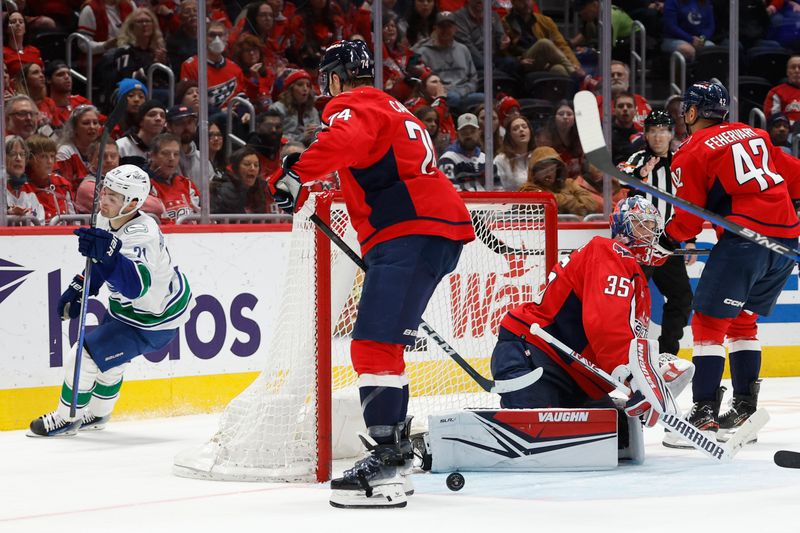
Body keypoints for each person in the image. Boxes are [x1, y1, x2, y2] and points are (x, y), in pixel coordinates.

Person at [267, 40, 474, 509]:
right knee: (385, 344)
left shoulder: (352, 103)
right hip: (430, 231)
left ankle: (385, 462)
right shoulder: (392, 105)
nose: (327, 91)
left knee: (372, 344)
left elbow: (343, 142)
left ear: (337, 77)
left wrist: (295, 174)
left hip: (410, 230)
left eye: (328, 80)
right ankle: (395, 456)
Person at [659, 81, 800, 447]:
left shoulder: (690, 151)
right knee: (742, 322)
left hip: (745, 242)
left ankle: (704, 414)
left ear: (691, 112)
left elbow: (688, 218)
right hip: (785, 241)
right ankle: (743, 410)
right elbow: (794, 177)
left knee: (708, 322)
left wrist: (667, 237)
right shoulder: (755, 134)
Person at [490, 196, 683, 438]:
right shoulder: (610, 251)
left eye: (652, 228)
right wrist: (635, 380)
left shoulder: (638, 282)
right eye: (640, 226)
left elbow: (626, 340)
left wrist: (648, 377)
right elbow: (605, 325)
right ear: (622, 227)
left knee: (619, 437)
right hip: (535, 354)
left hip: (577, 375)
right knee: (537, 439)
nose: (648, 234)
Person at [28, 164, 193, 437]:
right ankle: (99, 414)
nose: (103, 200)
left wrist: (110, 256)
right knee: (111, 362)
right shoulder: (107, 219)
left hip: (151, 320)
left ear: (133, 203)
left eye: (113, 197)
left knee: (82, 355)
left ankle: (67, 418)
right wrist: (81, 286)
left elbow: (136, 287)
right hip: (132, 312)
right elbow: (101, 262)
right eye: (104, 192)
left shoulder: (143, 234)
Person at [619, 110, 694, 360]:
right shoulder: (636, 157)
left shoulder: (681, 160)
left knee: (682, 297)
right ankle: (626, 352)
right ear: (646, 134)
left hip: (668, 243)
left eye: (663, 130)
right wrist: (641, 173)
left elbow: (688, 199)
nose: (658, 136)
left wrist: (690, 238)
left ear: (671, 134)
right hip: (638, 245)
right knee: (630, 300)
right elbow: (621, 175)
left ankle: (667, 353)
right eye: (653, 130)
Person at [412, 11, 482, 112]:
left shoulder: (463, 49)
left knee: (485, 99)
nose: (445, 30)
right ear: (435, 29)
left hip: (465, 93)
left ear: (455, 29)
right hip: (441, 95)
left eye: (449, 26)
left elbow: (473, 78)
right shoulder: (423, 52)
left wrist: (464, 90)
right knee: (454, 98)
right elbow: (424, 83)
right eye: (442, 26)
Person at [146, 132, 201, 224]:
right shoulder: (145, 186)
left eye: (176, 154)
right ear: (152, 156)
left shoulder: (186, 183)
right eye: (166, 153)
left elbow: (201, 216)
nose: (172, 158)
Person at [26, 134, 76, 224]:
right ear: (30, 158)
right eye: (43, 156)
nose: (49, 161)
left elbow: (74, 221)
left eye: (52, 156)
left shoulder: (62, 184)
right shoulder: (22, 187)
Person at [438, 112, 491, 191]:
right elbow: (450, 191)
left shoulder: (486, 159)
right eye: (464, 132)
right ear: (457, 134)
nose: (469, 136)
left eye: (472, 131)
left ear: (479, 132)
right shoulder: (447, 159)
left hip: (487, 203)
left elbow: (497, 187)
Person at [211, 146, 272, 214]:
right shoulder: (224, 191)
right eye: (247, 164)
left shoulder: (261, 189)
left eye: (256, 165)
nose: (253, 168)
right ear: (235, 168)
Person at [55, 105, 101, 195]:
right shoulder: (65, 153)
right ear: (74, 128)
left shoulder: (103, 150)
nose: (92, 127)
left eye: (95, 123)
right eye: (86, 123)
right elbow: (64, 188)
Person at [596, 60, 653, 132]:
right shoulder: (596, 103)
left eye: (619, 74)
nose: (615, 77)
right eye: (612, 75)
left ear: (627, 79)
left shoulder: (640, 100)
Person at [268, 69, 320, 145]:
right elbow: (274, 137)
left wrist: (316, 133)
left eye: (308, 85)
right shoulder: (276, 108)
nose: (305, 89)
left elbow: (318, 138)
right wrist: (301, 137)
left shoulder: (313, 110)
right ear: (290, 89)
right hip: (284, 150)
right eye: (300, 85)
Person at [4, 135, 45, 224]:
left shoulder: (30, 194)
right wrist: (7, 214)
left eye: (22, 154)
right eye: (13, 154)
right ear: (2, 158)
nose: (18, 159)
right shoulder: (2, 191)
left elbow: (40, 225)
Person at [116, 100, 166, 167]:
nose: (158, 118)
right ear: (141, 121)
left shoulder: (166, 147)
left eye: (162, 116)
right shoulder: (122, 146)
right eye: (152, 115)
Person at [494, 115, 535, 191]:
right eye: (515, 129)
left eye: (524, 127)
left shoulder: (537, 156)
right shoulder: (501, 160)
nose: (521, 130)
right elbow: (498, 189)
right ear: (509, 136)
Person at [165, 105, 201, 186]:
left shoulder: (202, 159)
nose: (186, 127)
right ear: (169, 127)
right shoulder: (163, 158)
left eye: (190, 122)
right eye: (180, 123)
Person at [763, 55, 800, 125]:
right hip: (788, 133)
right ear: (787, 72)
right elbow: (773, 121)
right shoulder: (776, 92)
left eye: (799, 67)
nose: (797, 70)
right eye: (793, 67)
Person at [611, 91, 644, 164]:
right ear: (614, 110)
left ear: (635, 111)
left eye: (629, 106)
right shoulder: (605, 134)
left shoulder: (639, 137)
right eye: (620, 106)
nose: (625, 109)